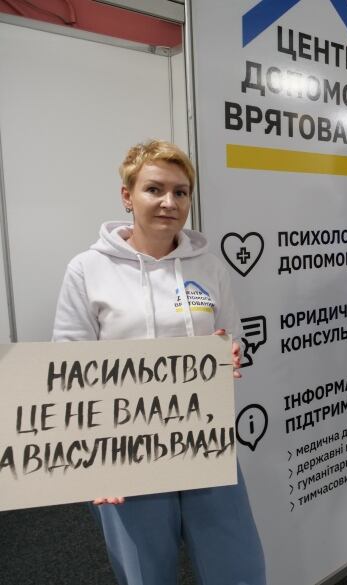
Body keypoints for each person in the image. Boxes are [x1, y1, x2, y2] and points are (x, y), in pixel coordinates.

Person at [52, 140, 266, 585]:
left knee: (239, 570)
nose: (170, 202)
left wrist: (229, 351)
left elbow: (233, 336)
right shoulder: (87, 270)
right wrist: (91, 464)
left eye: (181, 192)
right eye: (155, 189)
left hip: (204, 439)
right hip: (128, 448)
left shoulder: (208, 267)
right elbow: (69, 369)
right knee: (147, 575)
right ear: (127, 196)